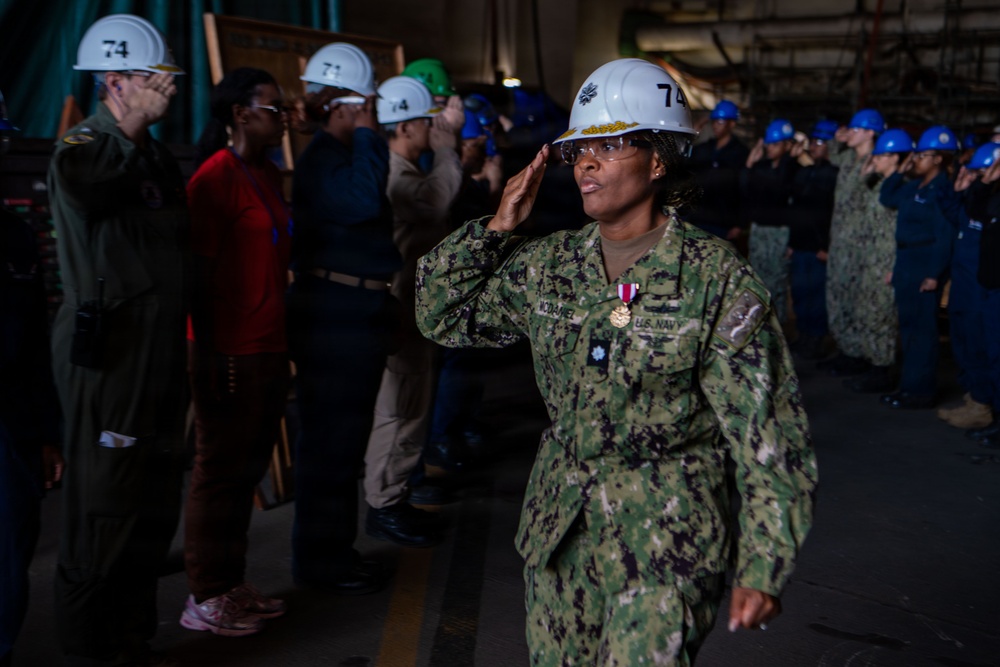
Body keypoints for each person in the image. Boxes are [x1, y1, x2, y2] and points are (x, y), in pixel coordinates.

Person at [415, 58, 817, 665]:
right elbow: (441, 316)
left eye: (611, 145)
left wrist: (764, 564)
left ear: (658, 161)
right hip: (560, 530)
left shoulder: (714, 279)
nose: (587, 162)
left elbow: (768, 435)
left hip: (665, 544)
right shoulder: (552, 265)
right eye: (580, 149)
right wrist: (496, 228)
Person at [47, 14, 190, 666]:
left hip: (158, 353)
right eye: (151, 79)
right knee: (103, 507)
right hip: (111, 356)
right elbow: (84, 185)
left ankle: (129, 640)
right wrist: (132, 123)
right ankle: (85, 651)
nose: (165, 90)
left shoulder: (153, 151)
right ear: (115, 80)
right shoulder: (84, 145)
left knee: (151, 500)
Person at [179, 68, 292, 637]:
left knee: (244, 472)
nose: (284, 115)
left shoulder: (267, 173)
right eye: (273, 107)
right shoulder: (213, 180)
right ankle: (204, 595)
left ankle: (230, 583)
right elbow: (195, 278)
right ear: (241, 113)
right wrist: (207, 357)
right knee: (217, 474)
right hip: (227, 353)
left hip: (267, 348)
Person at [287, 42, 399, 595]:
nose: (374, 113)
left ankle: (335, 550)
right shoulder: (325, 160)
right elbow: (361, 202)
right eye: (367, 104)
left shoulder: (343, 153)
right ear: (344, 105)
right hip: (333, 317)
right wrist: (366, 135)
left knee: (344, 441)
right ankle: (320, 562)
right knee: (329, 444)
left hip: (357, 311)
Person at [363, 75, 462, 544]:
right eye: (427, 121)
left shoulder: (403, 168)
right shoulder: (395, 173)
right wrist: (449, 150)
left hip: (416, 305)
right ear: (404, 126)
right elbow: (434, 202)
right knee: (399, 408)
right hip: (402, 304)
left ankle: (397, 492)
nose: (434, 127)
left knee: (412, 404)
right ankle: (383, 502)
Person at [0, 89, 65, 667]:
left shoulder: (15, 236)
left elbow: (35, 345)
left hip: (14, 426)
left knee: (9, 561)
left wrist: (48, 431)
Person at [879, 125, 962, 409]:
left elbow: (944, 237)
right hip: (905, 262)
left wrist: (933, 274)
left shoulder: (942, 190)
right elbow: (887, 197)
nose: (917, 160)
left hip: (924, 265)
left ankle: (921, 391)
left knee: (923, 333)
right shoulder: (915, 186)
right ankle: (908, 386)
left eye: (923, 155)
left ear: (938, 158)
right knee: (908, 329)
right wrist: (902, 168)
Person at [844, 129, 912, 393]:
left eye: (882, 155)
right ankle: (872, 365)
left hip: (886, 260)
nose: (876, 159)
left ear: (895, 158)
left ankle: (883, 371)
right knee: (867, 313)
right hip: (869, 257)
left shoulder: (902, 187)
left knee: (882, 316)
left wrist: (894, 265)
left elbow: (900, 231)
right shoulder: (879, 183)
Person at [937, 142, 1000, 429]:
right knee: (962, 345)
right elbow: (952, 214)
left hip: (980, 290)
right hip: (962, 286)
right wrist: (957, 190)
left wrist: (980, 187)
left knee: (981, 349)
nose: (974, 177)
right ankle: (974, 398)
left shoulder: (989, 206)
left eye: (980, 173)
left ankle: (983, 404)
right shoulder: (971, 201)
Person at [823, 109, 885, 377]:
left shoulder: (878, 163)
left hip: (864, 245)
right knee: (838, 297)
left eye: (856, 129)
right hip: (840, 242)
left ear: (870, 132)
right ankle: (848, 350)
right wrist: (837, 138)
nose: (851, 133)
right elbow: (831, 154)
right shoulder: (848, 157)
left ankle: (863, 354)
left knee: (861, 301)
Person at [786, 120, 839, 358]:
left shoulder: (834, 174)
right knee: (800, 292)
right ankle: (804, 334)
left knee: (817, 296)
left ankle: (816, 338)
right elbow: (792, 201)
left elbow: (832, 214)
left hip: (818, 247)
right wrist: (791, 242)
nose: (814, 147)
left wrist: (827, 246)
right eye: (813, 142)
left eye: (819, 142)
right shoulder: (805, 171)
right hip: (800, 244)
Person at [742, 118, 799, 325]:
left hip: (779, 232)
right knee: (757, 280)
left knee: (777, 284)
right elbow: (747, 191)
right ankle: (760, 326)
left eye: (775, 145)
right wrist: (749, 164)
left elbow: (782, 191)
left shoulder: (793, 169)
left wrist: (789, 161)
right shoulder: (762, 167)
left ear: (787, 145)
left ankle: (779, 328)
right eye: (768, 144)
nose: (769, 149)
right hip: (759, 230)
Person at [966, 155, 1000, 446]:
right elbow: (974, 211)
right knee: (994, 355)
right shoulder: (996, 196)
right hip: (990, 286)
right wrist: (985, 180)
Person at [684, 99, 749, 240]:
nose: (715, 126)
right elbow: (684, 164)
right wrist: (691, 136)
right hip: (698, 218)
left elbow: (745, 189)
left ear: (732, 124)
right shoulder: (704, 149)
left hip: (723, 223)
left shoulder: (741, 153)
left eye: (720, 122)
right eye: (714, 121)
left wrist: (740, 224)